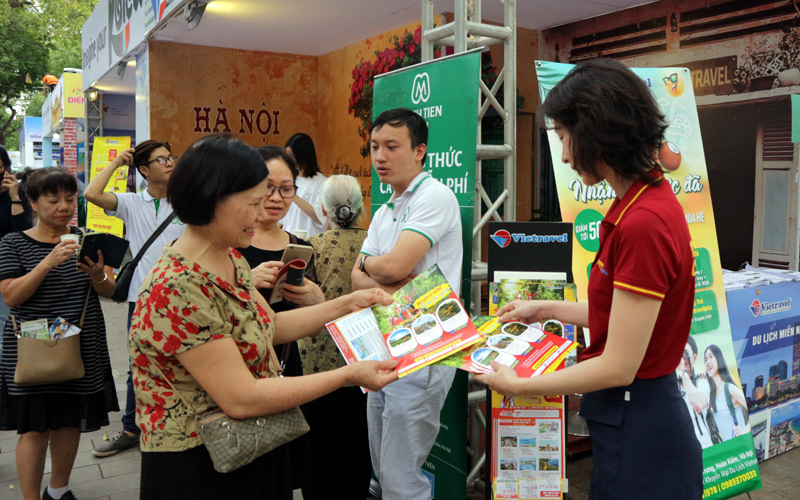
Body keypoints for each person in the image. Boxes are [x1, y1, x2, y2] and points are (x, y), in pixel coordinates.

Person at [475, 59, 702, 498]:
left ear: (597, 130)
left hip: (641, 433)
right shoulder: (642, 201)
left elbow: (619, 364)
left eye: (563, 138)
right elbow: (621, 315)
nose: (562, 155)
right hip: (637, 421)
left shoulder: (642, 222)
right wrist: (545, 308)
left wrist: (522, 385)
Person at [128, 134, 398, 499]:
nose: (262, 213)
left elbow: (268, 327)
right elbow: (243, 397)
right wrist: (348, 374)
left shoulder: (230, 258)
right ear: (213, 197)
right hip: (201, 465)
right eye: (254, 201)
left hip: (250, 448)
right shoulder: (177, 287)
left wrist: (347, 304)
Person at [351, 108, 462, 500]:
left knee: (401, 477)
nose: (380, 156)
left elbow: (394, 264)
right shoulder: (385, 210)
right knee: (382, 473)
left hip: (425, 346)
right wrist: (383, 272)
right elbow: (356, 278)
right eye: (375, 146)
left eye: (391, 146)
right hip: (384, 342)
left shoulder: (435, 196)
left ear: (419, 151)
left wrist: (379, 268)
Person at [0, 167, 119, 500]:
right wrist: (47, 263)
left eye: (70, 198)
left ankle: (59, 489)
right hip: (31, 348)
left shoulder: (89, 238)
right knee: (35, 428)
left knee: (69, 421)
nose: (64, 206)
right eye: (53, 199)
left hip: (81, 344)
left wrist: (98, 274)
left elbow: (111, 290)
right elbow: (11, 296)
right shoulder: (12, 243)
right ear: (33, 203)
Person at [83, 140, 186, 457]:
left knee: (185, 360)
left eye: (171, 157)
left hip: (182, 297)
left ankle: (180, 422)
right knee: (137, 364)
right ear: (143, 170)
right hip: (143, 298)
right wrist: (116, 164)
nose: (169, 163)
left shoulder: (185, 202)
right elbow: (91, 194)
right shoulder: (130, 202)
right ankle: (131, 428)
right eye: (161, 159)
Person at [234, 145, 323, 496]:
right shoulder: (229, 246)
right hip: (240, 366)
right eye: (268, 187)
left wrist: (318, 301)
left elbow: (311, 323)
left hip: (286, 363)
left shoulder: (301, 246)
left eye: (286, 188)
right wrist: (246, 281)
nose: (276, 197)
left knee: (281, 471)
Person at [301, 174, 370, 499]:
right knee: (358, 445)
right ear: (360, 207)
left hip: (317, 366)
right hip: (364, 359)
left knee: (319, 448)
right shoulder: (375, 246)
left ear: (324, 210)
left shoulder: (310, 248)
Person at [282, 133, 327, 238]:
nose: (288, 160)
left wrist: (293, 194)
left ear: (303, 155)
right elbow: (282, 219)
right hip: (288, 243)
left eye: (291, 156)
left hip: (311, 244)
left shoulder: (323, 183)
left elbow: (319, 216)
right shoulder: (291, 179)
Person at [704, 344, 750, 441]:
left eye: (711, 357)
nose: (707, 361)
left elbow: (752, 411)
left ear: (719, 358)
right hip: (727, 450)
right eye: (705, 359)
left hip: (739, 445)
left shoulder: (730, 388)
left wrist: (745, 431)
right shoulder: (712, 394)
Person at [677, 336, 714, 449]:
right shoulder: (672, 386)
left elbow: (699, 405)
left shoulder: (701, 381)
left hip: (705, 445)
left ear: (694, 357)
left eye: (686, 352)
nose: (682, 357)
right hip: (682, 448)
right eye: (679, 353)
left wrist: (683, 371)